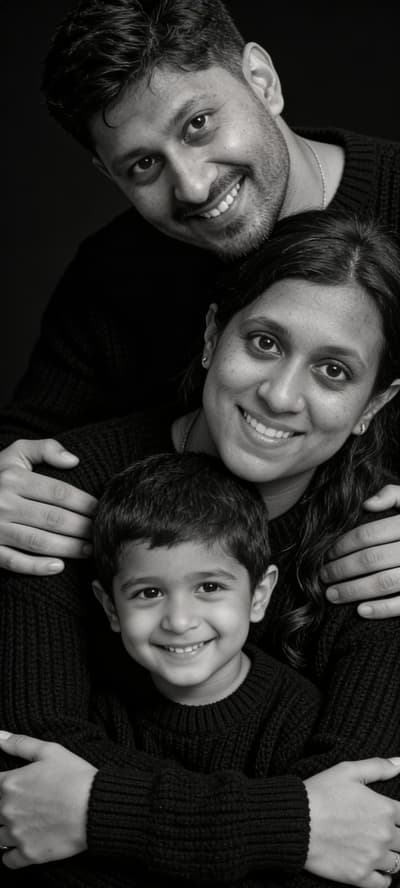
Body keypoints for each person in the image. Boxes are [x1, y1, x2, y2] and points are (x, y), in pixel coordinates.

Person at [1, 210, 400, 888]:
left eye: (334, 371)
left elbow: (370, 832)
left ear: (372, 404)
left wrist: (97, 809)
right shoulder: (60, 494)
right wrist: (291, 824)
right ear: (214, 334)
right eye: (265, 342)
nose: (279, 395)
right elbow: (24, 791)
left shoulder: (381, 547)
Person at [0, 0, 400, 622]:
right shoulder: (116, 272)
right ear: (110, 175)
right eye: (143, 164)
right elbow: (26, 445)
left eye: (198, 125)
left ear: (262, 81)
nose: (190, 185)